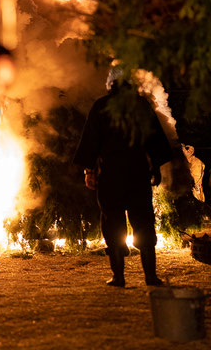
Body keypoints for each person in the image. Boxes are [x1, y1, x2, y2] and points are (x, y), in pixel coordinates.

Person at [74, 74, 173, 288]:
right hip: (138, 174)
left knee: (113, 222)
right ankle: (150, 277)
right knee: (144, 222)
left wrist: (88, 171)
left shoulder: (101, 106)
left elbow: (91, 140)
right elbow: (154, 139)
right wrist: (155, 168)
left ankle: (119, 277)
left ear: (111, 84)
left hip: (111, 175)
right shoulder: (141, 105)